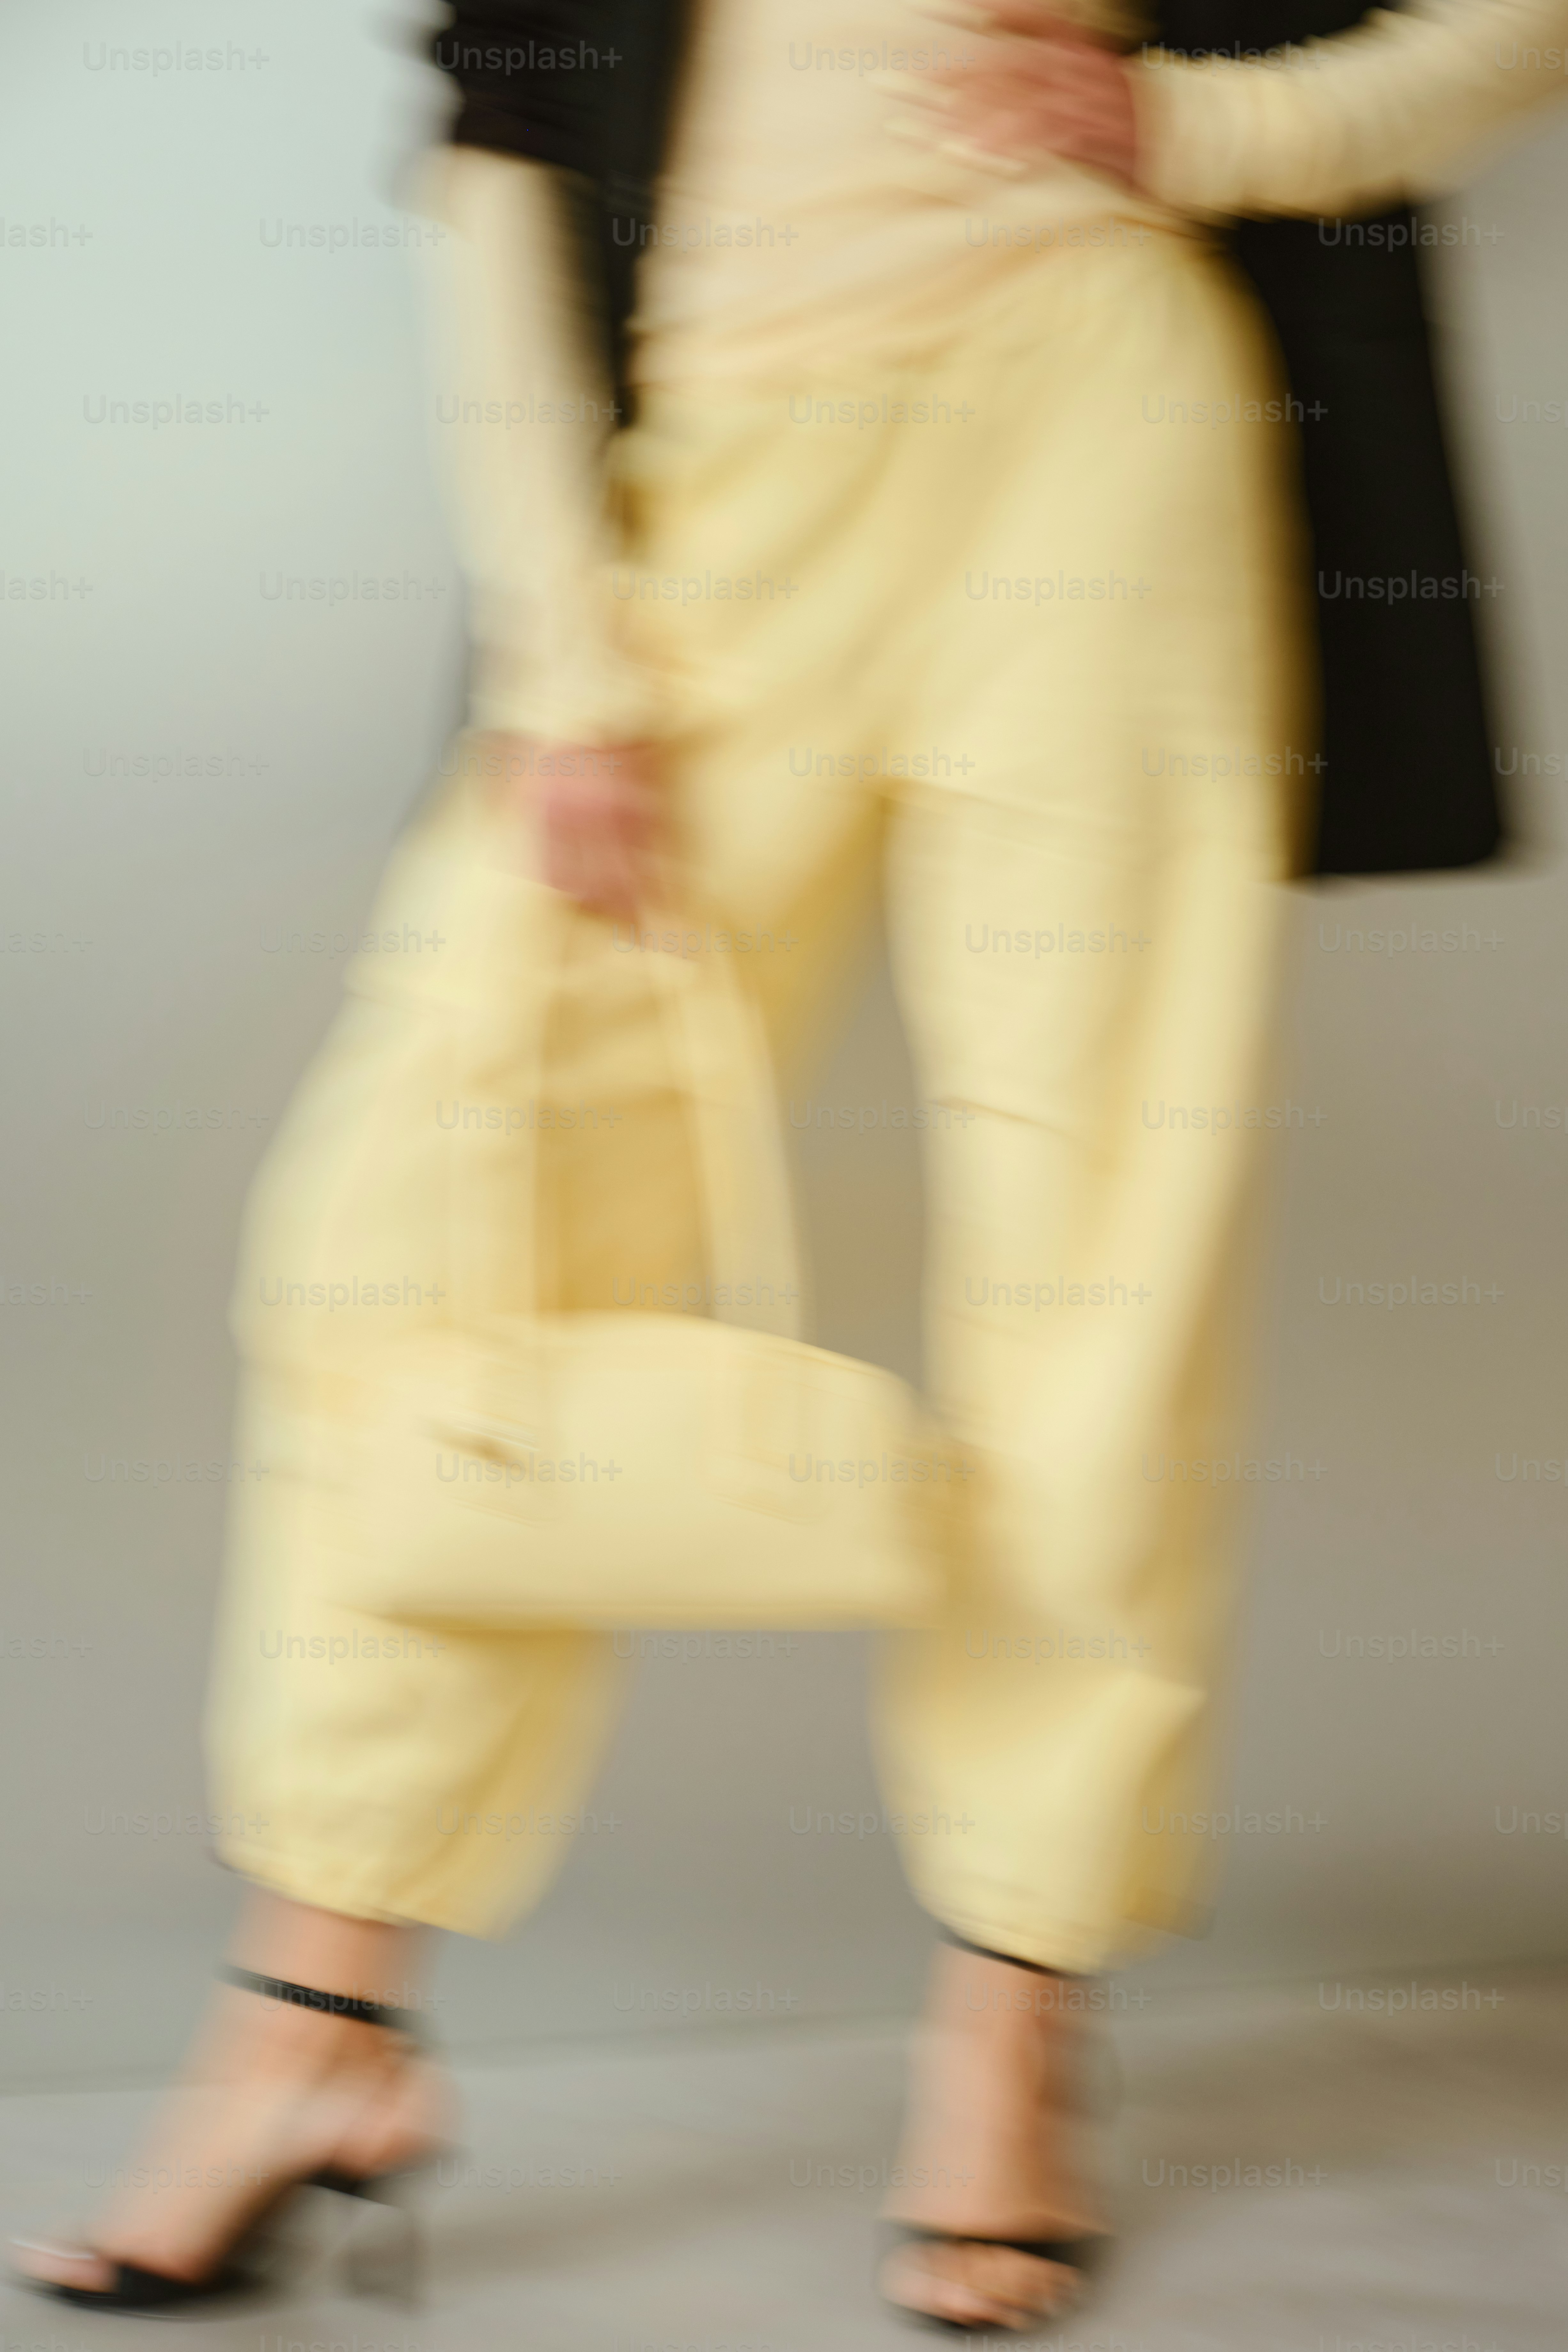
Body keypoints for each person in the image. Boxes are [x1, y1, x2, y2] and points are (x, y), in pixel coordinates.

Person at [14, 0, 1568, 2330]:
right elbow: (503, 137)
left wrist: (1207, 124)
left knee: (1099, 1260)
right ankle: (317, 2022)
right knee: (412, 1235)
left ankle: (1012, 2023)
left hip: (1100, 447)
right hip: (717, 497)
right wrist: (562, 652)